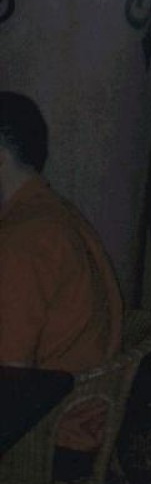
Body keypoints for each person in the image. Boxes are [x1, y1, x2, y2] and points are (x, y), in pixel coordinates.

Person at [0, 92, 123, 452]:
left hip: (47, 435)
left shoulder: (25, 239)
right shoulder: (50, 211)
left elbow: (9, 378)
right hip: (76, 412)